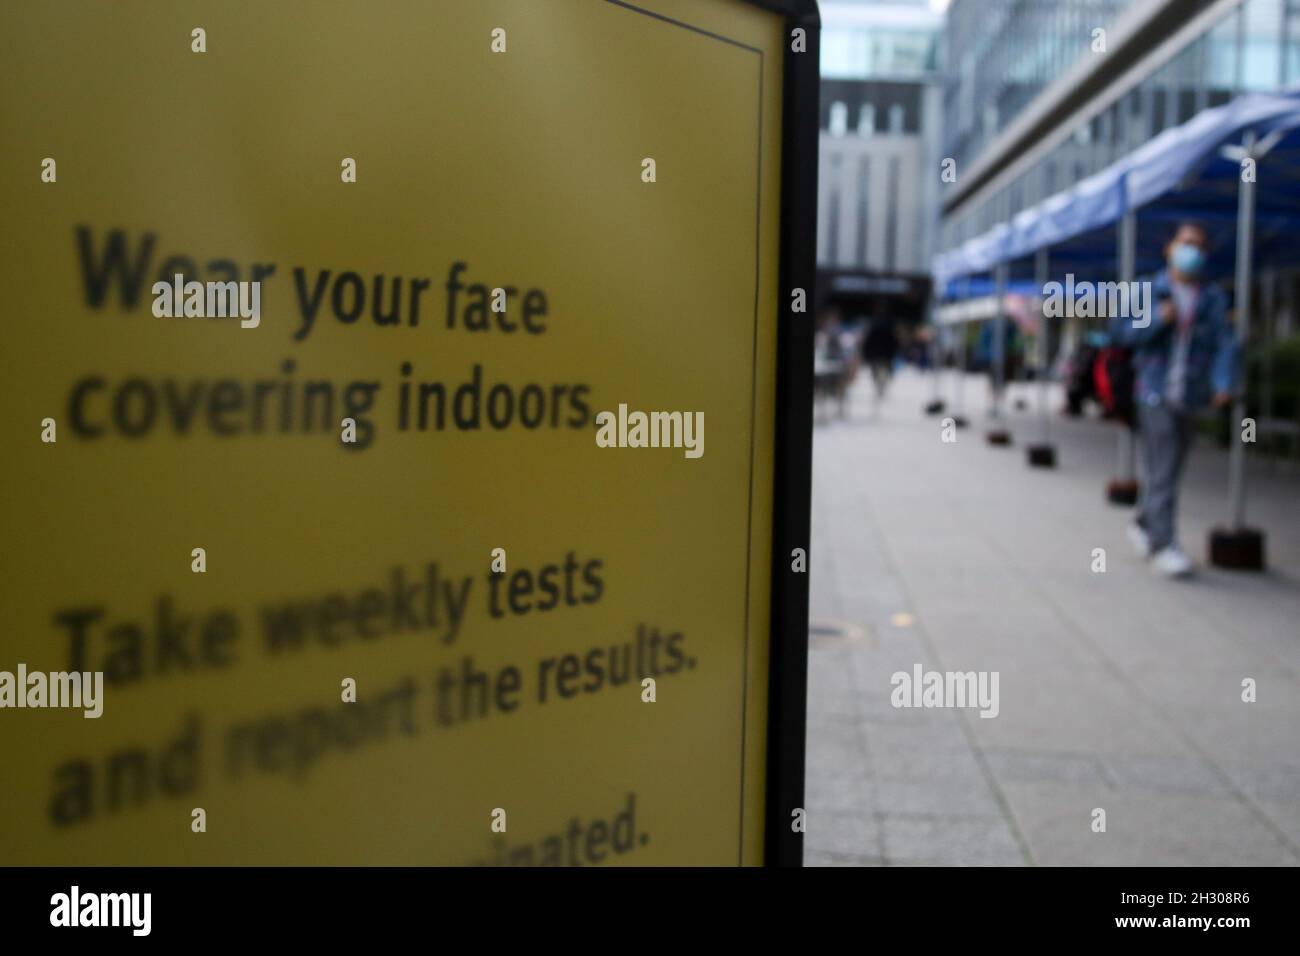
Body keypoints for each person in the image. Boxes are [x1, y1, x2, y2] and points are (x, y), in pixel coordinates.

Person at [1110, 221, 1237, 578]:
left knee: (1168, 465)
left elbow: (1225, 344)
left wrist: (1223, 383)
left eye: (1198, 245)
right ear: (1170, 248)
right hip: (1153, 390)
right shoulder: (1149, 290)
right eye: (1185, 243)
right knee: (1163, 464)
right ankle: (1163, 543)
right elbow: (1120, 334)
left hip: (1189, 394)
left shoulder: (1212, 299)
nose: (1191, 250)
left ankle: (1144, 522)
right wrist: (1156, 319)